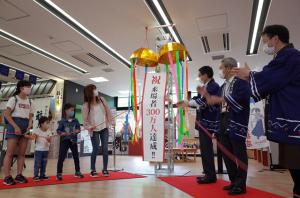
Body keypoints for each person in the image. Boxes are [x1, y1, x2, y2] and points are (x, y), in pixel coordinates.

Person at [233, 24, 300, 198]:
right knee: (294, 164)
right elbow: (268, 80)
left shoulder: (290, 56)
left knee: (296, 163)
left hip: (293, 116)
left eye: (265, 41)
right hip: (288, 116)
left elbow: (270, 78)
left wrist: (249, 75)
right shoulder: (282, 58)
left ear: (275, 38)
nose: (265, 45)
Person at [200, 57, 251, 195]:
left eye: (222, 68)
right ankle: (233, 181)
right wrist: (209, 99)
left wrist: (220, 99)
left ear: (229, 68)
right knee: (226, 152)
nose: (221, 71)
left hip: (235, 119)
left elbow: (243, 99)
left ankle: (241, 184)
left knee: (239, 153)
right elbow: (217, 104)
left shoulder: (241, 82)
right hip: (223, 119)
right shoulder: (223, 86)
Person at [178, 66, 220, 184]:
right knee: (204, 149)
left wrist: (187, 103)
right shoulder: (205, 87)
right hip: (203, 121)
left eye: (200, 75)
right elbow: (196, 99)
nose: (200, 77)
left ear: (206, 75)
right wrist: (186, 102)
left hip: (209, 122)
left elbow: (202, 102)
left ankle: (210, 175)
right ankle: (207, 172)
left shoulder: (213, 86)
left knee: (207, 149)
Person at [3, 80, 34, 185]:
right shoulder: (14, 99)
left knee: (22, 153)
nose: (30, 89)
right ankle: (7, 176)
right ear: (21, 88)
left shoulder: (30, 101)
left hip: (25, 126)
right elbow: (6, 114)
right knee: (10, 153)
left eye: (30, 87)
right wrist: (15, 126)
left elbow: (31, 115)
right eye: (28, 87)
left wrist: (30, 123)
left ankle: (19, 175)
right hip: (14, 124)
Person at [82, 84, 114, 177]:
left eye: (95, 89)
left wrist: (112, 121)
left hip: (104, 128)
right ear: (89, 93)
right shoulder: (86, 105)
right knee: (95, 149)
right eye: (94, 89)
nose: (96, 91)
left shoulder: (102, 100)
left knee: (105, 148)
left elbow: (108, 111)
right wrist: (89, 127)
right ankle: (93, 169)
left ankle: (105, 169)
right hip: (94, 130)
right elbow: (85, 121)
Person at [56, 103, 84, 180]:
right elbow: (58, 131)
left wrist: (77, 131)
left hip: (73, 141)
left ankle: (77, 171)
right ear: (66, 111)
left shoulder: (76, 120)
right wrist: (63, 133)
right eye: (71, 110)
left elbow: (79, 129)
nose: (73, 111)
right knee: (61, 157)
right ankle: (59, 173)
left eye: (73, 110)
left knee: (76, 156)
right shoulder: (62, 121)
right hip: (65, 141)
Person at [32, 116, 51, 181]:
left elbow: (50, 140)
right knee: (37, 163)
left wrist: (49, 139)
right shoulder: (37, 130)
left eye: (48, 123)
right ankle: (35, 175)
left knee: (44, 163)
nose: (48, 124)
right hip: (38, 150)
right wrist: (34, 136)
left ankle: (42, 175)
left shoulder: (49, 131)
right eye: (47, 123)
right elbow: (32, 137)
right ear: (42, 124)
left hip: (46, 150)